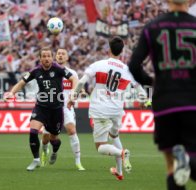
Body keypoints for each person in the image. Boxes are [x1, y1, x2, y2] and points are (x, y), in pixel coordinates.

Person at [128, 0, 196, 189]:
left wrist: (151, 82)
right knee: (192, 155)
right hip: (192, 100)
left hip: (164, 100)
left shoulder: (152, 27)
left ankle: (184, 161)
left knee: (172, 168)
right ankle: (190, 161)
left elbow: (133, 65)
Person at [68, 36, 147, 180]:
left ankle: (122, 153)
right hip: (117, 110)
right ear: (122, 52)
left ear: (109, 50)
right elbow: (139, 87)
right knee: (114, 135)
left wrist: (73, 97)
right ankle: (119, 171)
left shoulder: (98, 65)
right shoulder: (127, 70)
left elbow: (82, 82)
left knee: (100, 147)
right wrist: (143, 99)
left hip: (100, 110)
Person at [5, 48, 78, 171]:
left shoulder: (58, 69)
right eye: (44, 56)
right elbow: (22, 83)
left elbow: (74, 79)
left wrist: (73, 93)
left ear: (51, 57)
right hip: (41, 107)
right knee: (33, 131)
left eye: (49, 56)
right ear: (40, 59)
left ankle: (54, 151)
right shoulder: (35, 71)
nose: (46, 58)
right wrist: (12, 93)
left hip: (56, 109)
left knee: (53, 139)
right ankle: (36, 160)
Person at [40, 48, 85, 171]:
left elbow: (78, 86)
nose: (60, 55)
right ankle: (44, 152)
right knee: (45, 138)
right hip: (51, 107)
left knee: (71, 130)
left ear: (67, 58)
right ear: (55, 57)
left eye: (63, 54)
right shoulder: (48, 71)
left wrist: (80, 92)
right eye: (58, 53)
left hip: (66, 106)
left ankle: (78, 162)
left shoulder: (72, 73)